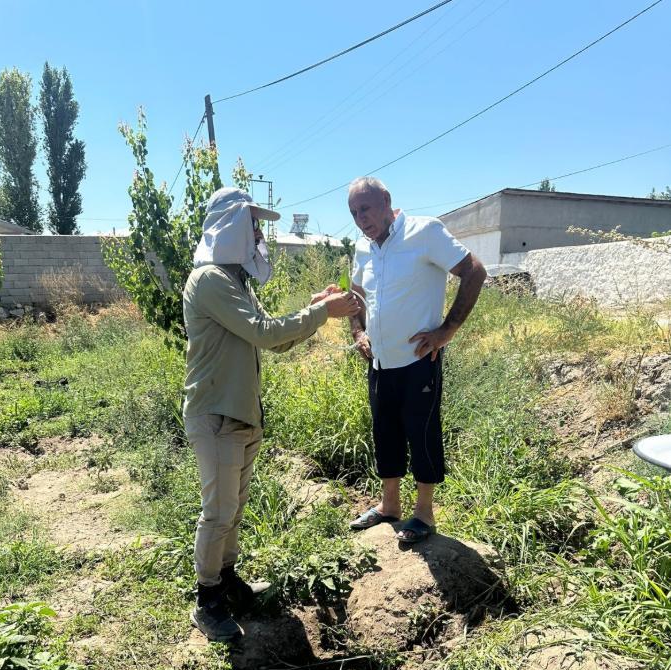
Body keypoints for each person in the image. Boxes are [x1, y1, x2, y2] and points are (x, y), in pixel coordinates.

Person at [183, 187, 360, 643]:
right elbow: (263, 333)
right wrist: (320, 312)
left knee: (233, 508)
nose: (259, 234)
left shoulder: (234, 282)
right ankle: (207, 601)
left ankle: (226, 580)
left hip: (240, 413)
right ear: (231, 226)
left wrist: (314, 309)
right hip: (217, 414)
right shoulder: (210, 280)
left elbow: (275, 340)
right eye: (253, 224)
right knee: (218, 512)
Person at [346, 176, 486, 544]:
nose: (361, 218)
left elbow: (475, 271)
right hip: (380, 360)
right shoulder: (363, 248)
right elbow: (355, 295)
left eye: (366, 208)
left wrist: (447, 330)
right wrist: (358, 332)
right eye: (354, 212)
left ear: (386, 201)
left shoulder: (425, 232)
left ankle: (424, 513)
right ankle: (389, 505)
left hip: (419, 359)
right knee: (385, 431)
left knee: (421, 432)